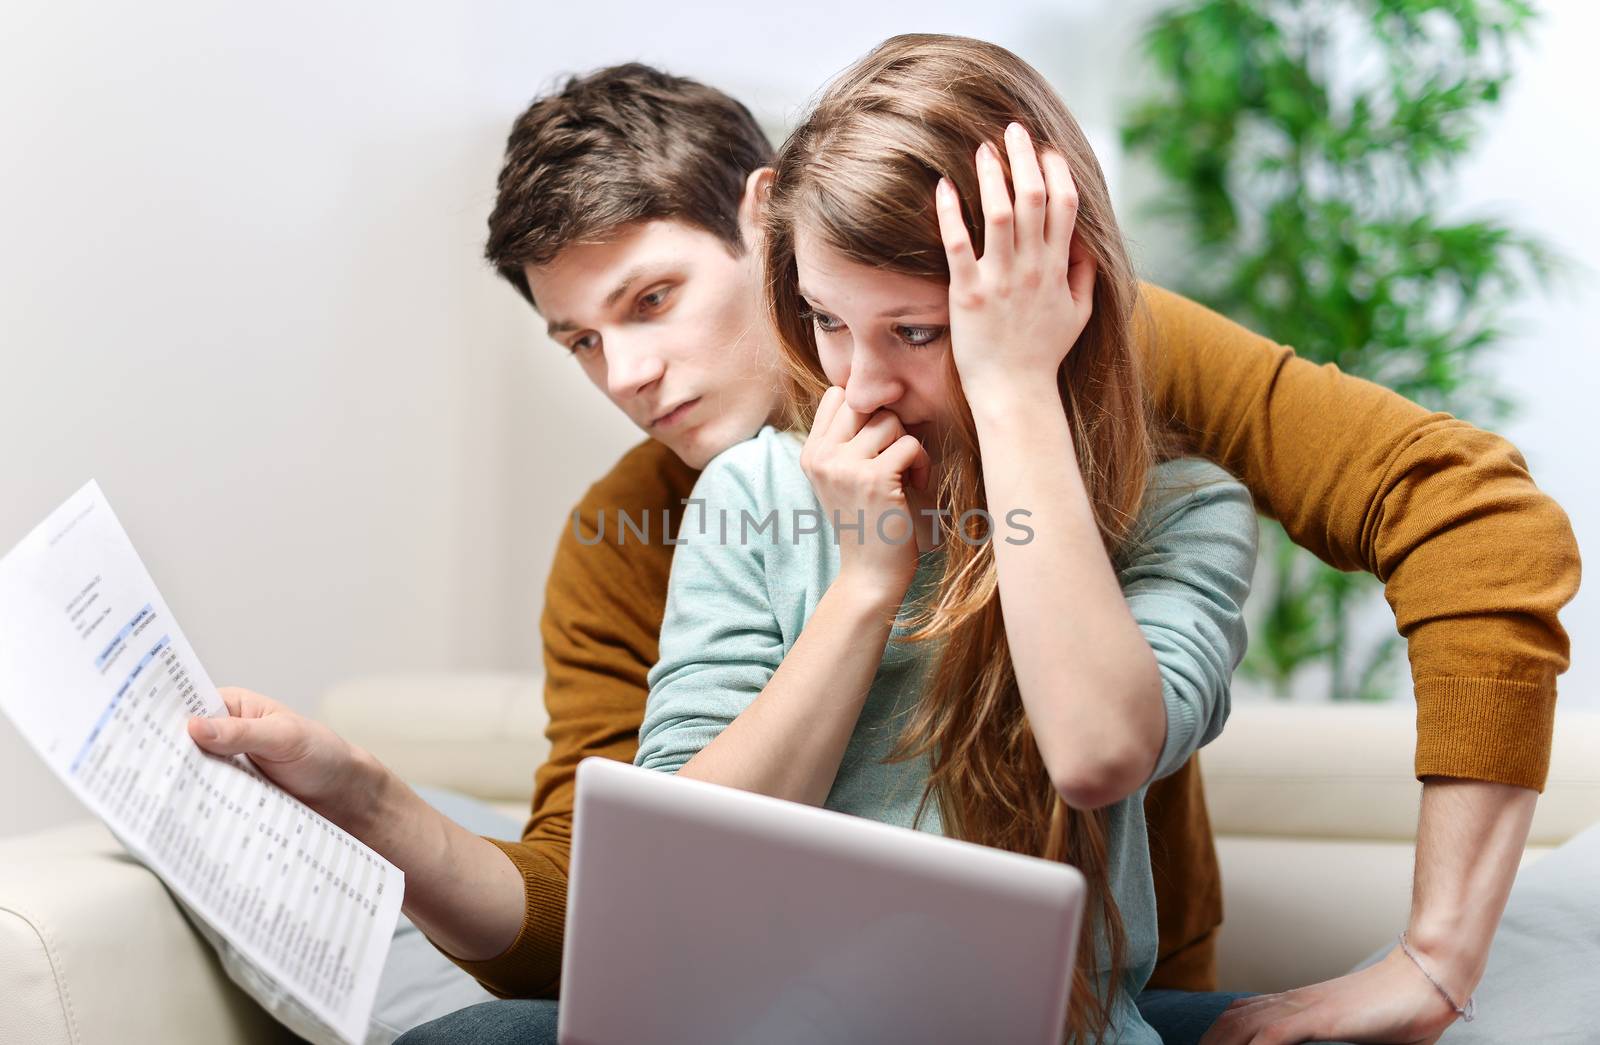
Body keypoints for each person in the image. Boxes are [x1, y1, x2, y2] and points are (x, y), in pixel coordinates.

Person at [187, 51, 1580, 1045]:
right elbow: (606, 910)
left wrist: (1438, 957)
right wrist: (380, 803)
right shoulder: (668, 523)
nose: (626, 372)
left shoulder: (1106, 380)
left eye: (656, 299)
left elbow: (1467, 513)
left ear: (765, 218)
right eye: (579, 340)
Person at [632, 32, 1260, 1045]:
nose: (860, 385)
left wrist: (1012, 385)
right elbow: (678, 863)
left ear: (1055, 298)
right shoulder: (752, 491)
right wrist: (862, 586)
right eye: (830, 321)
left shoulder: (1183, 514)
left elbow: (1099, 753)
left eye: (917, 332)